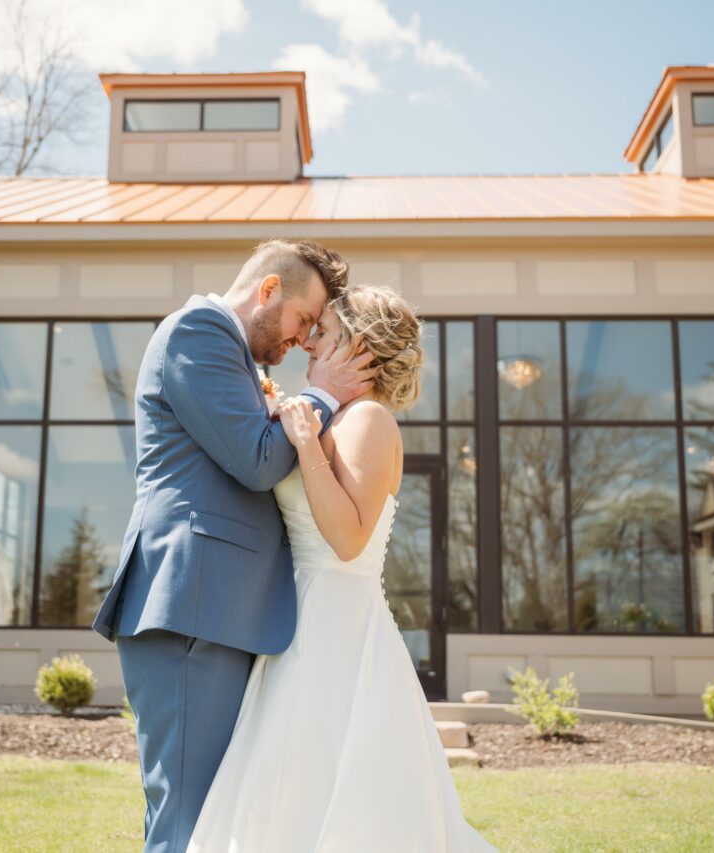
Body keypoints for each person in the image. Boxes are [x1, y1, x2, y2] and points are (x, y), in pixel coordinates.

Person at [187, 285, 497, 852]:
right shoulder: (334, 415)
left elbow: (349, 539)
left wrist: (306, 445)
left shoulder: (370, 420)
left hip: (338, 625)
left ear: (361, 347)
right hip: (298, 617)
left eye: (324, 333)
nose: (308, 342)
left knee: (329, 777)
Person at [91, 239, 376, 853]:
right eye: (303, 320)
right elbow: (256, 460)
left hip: (220, 611)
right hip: (195, 605)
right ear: (268, 291)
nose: (301, 341)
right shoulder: (198, 331)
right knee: (189, 821)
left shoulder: (240, 361)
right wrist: (323, 393)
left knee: (211, 820)